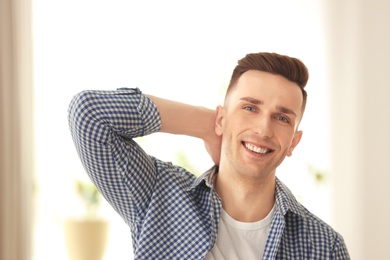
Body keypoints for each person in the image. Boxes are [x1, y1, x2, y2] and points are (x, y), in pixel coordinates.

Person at [68, 52, 350, 259]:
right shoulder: (160, 197)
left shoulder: (324, 247)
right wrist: (207, 125)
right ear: (222, 119)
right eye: (250, 108)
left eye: (282, 118)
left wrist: (230, 126)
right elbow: (89, 115)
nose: (263, 129)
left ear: (293, 142)